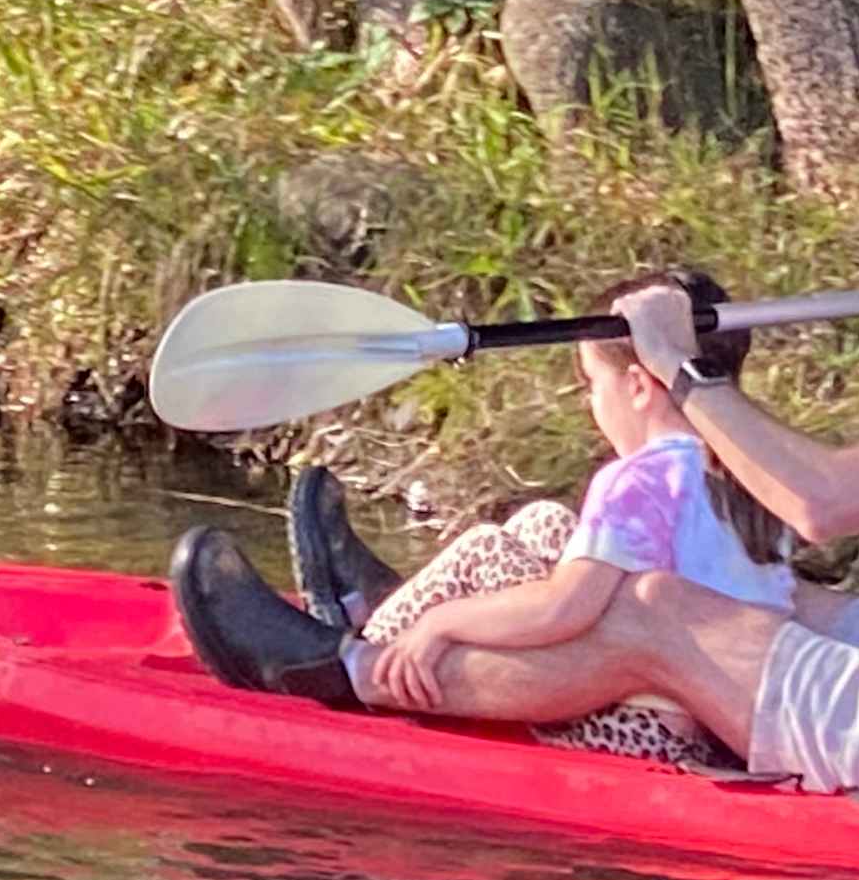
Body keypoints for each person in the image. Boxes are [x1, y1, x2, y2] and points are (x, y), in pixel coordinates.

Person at [172, 63, 859, 819]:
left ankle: (347, 672)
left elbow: (823, 502)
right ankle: (408, 612)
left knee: (654, 610)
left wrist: (686, 374)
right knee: (781, 599)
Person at [270, 271, 797, 765]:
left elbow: (562, 611)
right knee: (543, 522)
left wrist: (440, 623)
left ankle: (357, 655)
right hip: (718, 717)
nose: (591, 403)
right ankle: (377, 611)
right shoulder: (756, 473)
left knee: (483, 549)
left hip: (641, 726)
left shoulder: (639, 480)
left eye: (593, 384)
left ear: (638, 386)